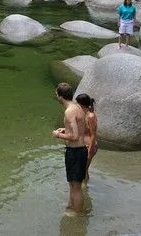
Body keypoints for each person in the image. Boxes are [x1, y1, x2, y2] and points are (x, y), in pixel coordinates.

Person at [52, 82, 88, 213]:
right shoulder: (77, 107)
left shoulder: (69, 112)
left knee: (76, 186)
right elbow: (79, 127)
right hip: (80, 151)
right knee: (73, 184)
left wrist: (58, 135)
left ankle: (78, 215)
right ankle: (72, 207)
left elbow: (74, 136)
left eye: (56, 94)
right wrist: (65, 129)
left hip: (75, 151)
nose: (56, 97)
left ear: (61, 96)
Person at [75, 93, 97, 186]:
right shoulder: (82, 114)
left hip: (89, 146)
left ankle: (84, 189)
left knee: (83, 170)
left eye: (77, 103)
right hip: (81, 146)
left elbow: (93, 134)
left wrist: (90, 150)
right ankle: (83, 187)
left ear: (82, 104)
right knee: (82, 169)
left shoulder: (91, 116)